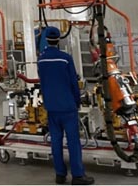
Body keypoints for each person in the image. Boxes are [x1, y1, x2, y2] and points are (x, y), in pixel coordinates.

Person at [38, 27, 94, 185]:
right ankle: (78, 175)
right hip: (68, 107)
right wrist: (77, 101)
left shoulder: (41, 60)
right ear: (58, 39)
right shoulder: (65, 58)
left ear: (46, 39)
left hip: (51, 107)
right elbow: (73, 83)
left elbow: (42, 81)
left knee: (56, 141)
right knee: (73, 141)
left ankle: (60, 175)